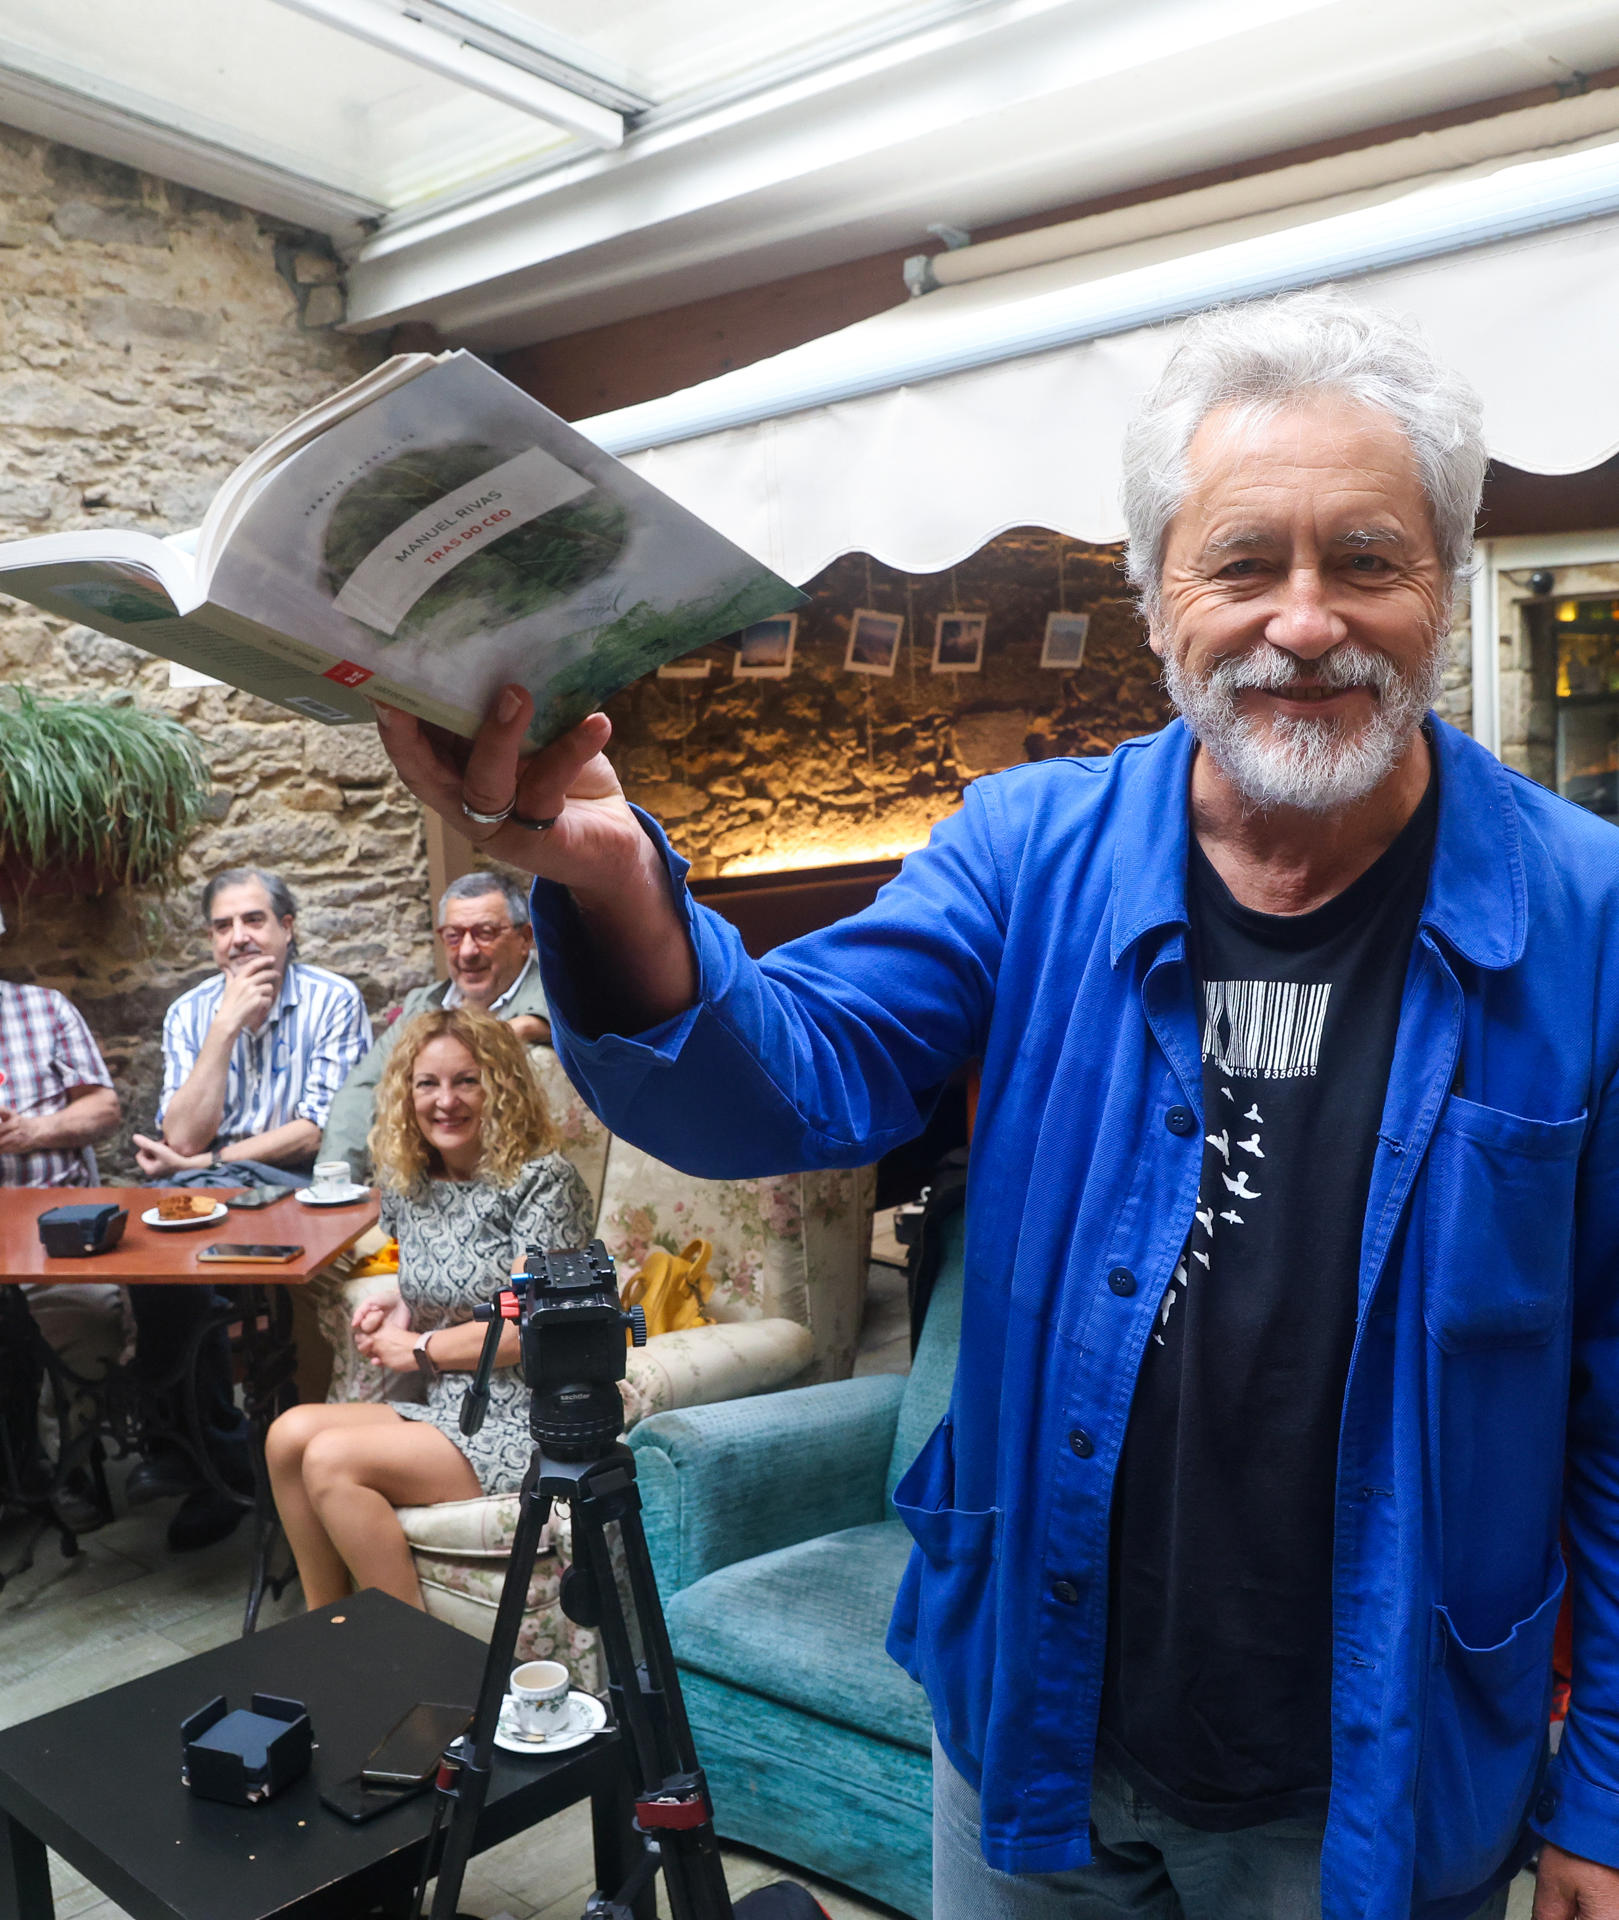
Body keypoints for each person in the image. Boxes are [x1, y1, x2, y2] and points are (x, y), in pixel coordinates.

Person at [377, 293, 1619, 1920]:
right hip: (1034, 1729)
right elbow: (798, 1073)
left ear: (1438, 585)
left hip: (1375, 1778)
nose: (1300, 620)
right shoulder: (1026, 850)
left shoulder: (1581, 915)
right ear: (1154, 595)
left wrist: (1597, 1787)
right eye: (1241, 562)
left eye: (1363, 560)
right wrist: (613, 879)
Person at [265, 1005, 590, 1608]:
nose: (447, 1101)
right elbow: (440, 1273)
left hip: (523, 1417)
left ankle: (414, 1665)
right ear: (405, 1094)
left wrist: (415, 1350)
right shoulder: (411, 1183)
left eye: (467, 1080)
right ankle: (326, 1624)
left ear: (503, 1087)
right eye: (428, 1083)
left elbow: (524, 1329)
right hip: (450, 1407)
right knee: (287, 1437)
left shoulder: (543, 1182)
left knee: (333, 1459)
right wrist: (396, 1299)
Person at [127, 867, 370, 1551]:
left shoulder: (332, 999)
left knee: (176, 1204)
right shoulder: (191, 1013)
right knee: (153, 1242)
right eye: (223, 925)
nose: (239, 938)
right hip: (217, 1192)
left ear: (287, 928)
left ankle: (210, 1454)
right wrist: (224, 1029)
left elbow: (313, 1130)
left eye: (254, 920)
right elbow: (180, 1134)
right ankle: (211, 1456)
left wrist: (204, 1165)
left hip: (302, 1188)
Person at [0, 907, 123, 1531]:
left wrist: (30, 1131)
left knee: (93, 1320)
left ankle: (69, 1465)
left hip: (55, 1236)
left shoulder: (43, 1010)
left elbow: (105, 1108)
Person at [319, 871, 551, 1184]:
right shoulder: (423, 1005)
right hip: (420, 1185)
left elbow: (592, 1023)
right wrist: (334, 1185)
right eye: (453, 936)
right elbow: (363, 1088)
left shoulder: (556, 998)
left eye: (485, 933)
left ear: (525, 938)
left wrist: (528, 1026)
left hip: (510, 1184)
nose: (467, 951)